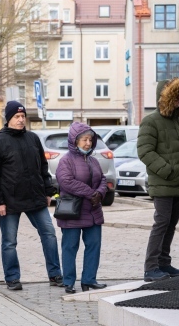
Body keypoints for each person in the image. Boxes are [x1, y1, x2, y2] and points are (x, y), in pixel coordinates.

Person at [0, 101, 63, 291]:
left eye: (22, 116)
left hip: (36, 198)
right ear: (8, 118)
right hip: (9, 201)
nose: (20, 120)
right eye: (16, 117)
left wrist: (48, 191)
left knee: (49, 234)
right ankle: (12, 278)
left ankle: (55, 274)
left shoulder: (33, 138)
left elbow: (43, 168)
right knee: (9, 242)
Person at [137, 78, 179, 282]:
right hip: (164, 182)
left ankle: (164, 263)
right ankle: (151, 267)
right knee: (161, 223)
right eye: (176, 98)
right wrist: (167, 171)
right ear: (166, 98)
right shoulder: (151, 121)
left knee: (171, 224)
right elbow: (145, 151)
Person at [55, 122, 108, 294]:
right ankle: (68, 282)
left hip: (93, 211)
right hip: (73, 212)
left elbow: (102, 179)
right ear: (74, 140)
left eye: (90, 140)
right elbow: (67, 182)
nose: (88, 143)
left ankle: (89, 280)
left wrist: (99, 193)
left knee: (94, 245)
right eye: (84, 139)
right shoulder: (66, 161)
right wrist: (91, 194)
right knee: (70, 247)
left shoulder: (93, 160)